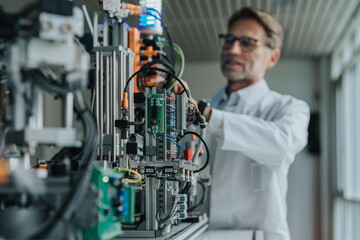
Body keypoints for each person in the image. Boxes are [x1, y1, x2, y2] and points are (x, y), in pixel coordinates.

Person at [174, 6, 310, 240]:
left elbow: (282, 144)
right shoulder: (202, 108)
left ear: (273, 56)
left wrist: (206, 113)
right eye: (229, 40)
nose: (233, 49)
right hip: (200, 235)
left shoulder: (288, 108)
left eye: (247, 42)